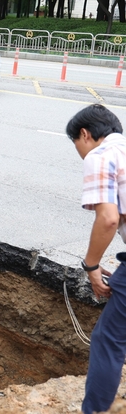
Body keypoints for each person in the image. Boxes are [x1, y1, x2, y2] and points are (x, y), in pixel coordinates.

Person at [65, 104, 126, 414]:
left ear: (85, 135)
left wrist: (91, 266)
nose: (79, 151)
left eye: (76, 143)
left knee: (108, 339)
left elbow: (108, 219)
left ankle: (94, 411)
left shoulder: (100, 157)